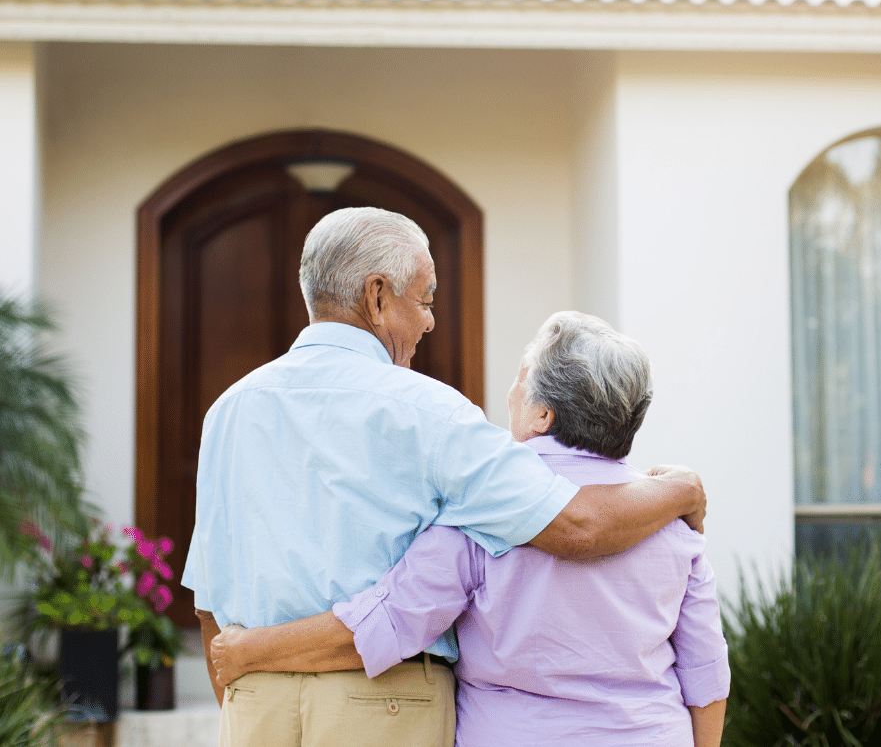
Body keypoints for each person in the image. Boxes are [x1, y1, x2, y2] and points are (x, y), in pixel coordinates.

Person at [182, 207, 707, 747]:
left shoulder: (229, 408)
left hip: (253, 703)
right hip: (384, 704)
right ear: (378, 296)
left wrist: (247, 690)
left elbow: (207, 597)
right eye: (426, 300)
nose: (431, 321)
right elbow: (579, 527)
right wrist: (682, 489)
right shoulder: (431, 410)